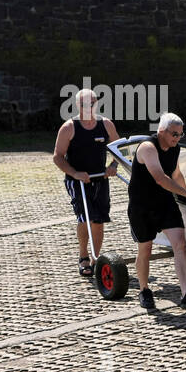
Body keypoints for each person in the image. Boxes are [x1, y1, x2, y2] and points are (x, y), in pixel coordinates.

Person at [127, 113, 186, 310]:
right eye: (174, 134)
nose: (178, 138)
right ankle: (144, 289)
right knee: (145, 250)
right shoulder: (148, 147)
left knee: (180, 244)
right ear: (161, 131)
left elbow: (175, 174)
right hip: (142, 205)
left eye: (181, 135)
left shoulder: (175, 148)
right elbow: (160, 178)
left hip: (164, 202)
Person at [53, 89, 120, 277]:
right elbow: (57, 157)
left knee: (98, 220)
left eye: (92, 103)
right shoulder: (69, 127)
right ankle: (83, 257)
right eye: (84, 104)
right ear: (78, 106)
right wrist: (75, 173)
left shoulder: (106, 125)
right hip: (77, 181)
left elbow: (120, 150)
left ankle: (96, 259)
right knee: (85, 218)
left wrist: (113, 166)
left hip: (100, 178)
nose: (89, 107)